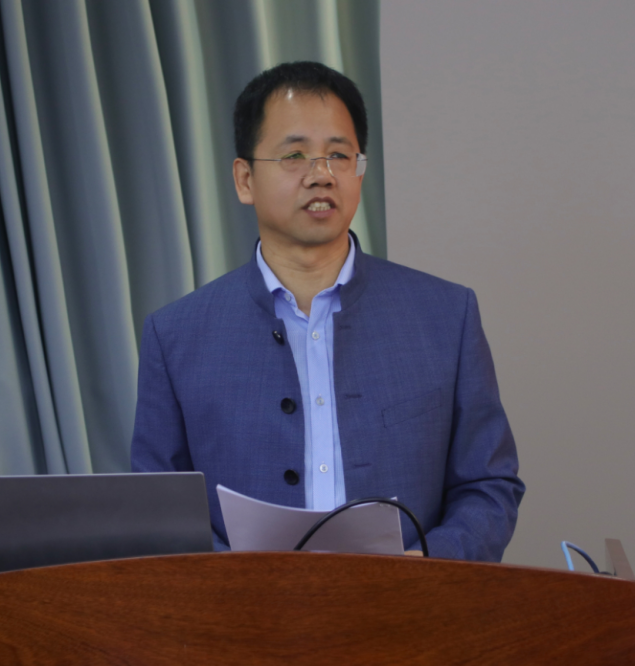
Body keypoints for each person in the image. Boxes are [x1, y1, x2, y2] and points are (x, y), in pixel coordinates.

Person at [131, 61, 524, 560]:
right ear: (245, 179)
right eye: (295, 155)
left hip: (409, 600)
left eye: (339, 155)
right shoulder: (176, 335)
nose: (321, 175)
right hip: (244, 606)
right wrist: (237, 583)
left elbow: (489, 485)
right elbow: (159, 511)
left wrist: (426, 568)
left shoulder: (446, 316)